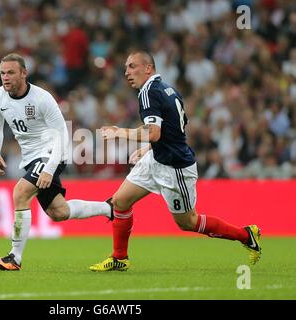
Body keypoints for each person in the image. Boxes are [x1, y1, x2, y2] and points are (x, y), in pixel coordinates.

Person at [89, 50, 262, 271]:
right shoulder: (168, 89)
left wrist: (119, 132)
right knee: (120, 202)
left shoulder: (148, 92)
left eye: (132, 66)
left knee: (188, 222)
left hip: (175, 167)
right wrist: (149, 149)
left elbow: (154, 133)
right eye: (126, 68)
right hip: (156, 159)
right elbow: (174, 127)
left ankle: (245, 235)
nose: (127, 72)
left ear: (148, 68)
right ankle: (119, 258)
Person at [0, 53, 112, 271]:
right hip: (31, 159)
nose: (5, 77)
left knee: (20, 193)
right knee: (59, 212)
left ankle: (14, 258)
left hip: (53, 152)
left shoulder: (42, 99)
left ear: (24, 73)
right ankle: (108, 208)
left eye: (10, 73)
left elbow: (62, 136)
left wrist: (49, 168)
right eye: (2, 73)